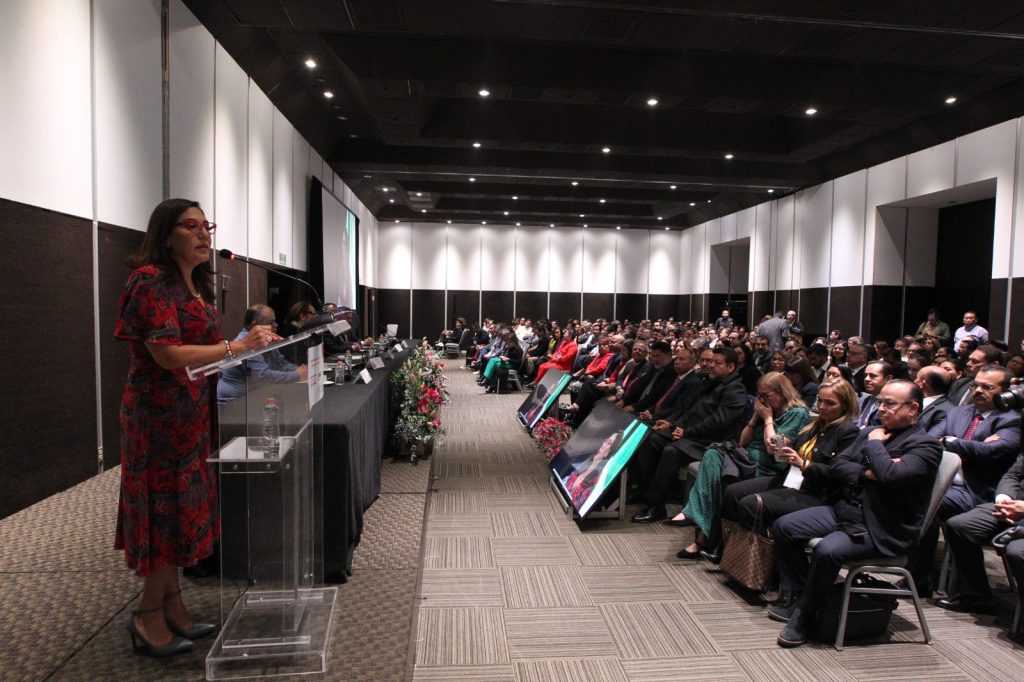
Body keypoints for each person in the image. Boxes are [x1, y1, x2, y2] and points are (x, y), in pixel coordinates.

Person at [114, 199, 277, 657]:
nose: (204, 234)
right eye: (192, 226)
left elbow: (213, 352)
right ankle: (147, 615)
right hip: (158, 420)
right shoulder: (149, 283)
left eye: (207, 225)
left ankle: (172, 604)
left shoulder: (195, 284)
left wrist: (252, 346)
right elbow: (167, 355)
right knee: (164, 514)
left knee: (182, 512)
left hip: (191, 415)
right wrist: (235, 344)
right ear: (166, 234)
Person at [769, 380, 942, 647]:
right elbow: (838, 464)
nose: (882, 408)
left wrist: (874, 448)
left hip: (881, 524)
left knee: (827, 550)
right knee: (784, 527)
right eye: (881, 402)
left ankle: (803, 614)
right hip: (846, 510)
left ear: (913, 408)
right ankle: (807, 597)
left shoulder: (926, 445)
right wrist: (867, 474)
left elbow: (890, 475)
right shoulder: (872, 431)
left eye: (890, 404)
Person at [672, 372, 811, 559]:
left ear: (781, 393)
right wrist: (755, 418)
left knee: (723, 483)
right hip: (746, 458)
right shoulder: (765, 411)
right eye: (759, 396)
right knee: (713, 454)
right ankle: (700, 526)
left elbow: (774, 448)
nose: (762, 401)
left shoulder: (796, 413)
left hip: (769, 468)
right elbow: (743, 441)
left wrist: (768, 418)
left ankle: (703, 538)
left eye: (765, 396)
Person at [721, 379, 860, 554]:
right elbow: (795, 453)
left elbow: (839, 473)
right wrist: (782, 450)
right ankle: (729, 552)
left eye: (830, 403)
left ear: (845, 406)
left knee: (750, 504)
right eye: (820, 400)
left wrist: (804, 464)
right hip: (793, 480)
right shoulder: (815, 426)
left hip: (817, 492)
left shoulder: (848, 431)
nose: (822, 406)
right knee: (733, 492)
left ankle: (759, 562)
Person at [938, 454, 1024, 620]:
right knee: (961, 526)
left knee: (1017, 551)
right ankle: (976, 597)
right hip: (1013, 506)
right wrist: (1004, 499)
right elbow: (1013, 475)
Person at [217, 304, 309, 404]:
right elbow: (262, 376)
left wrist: (299, 369)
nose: (276, 325)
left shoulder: (265, 338)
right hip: (233, 403)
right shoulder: (245, 343)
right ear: (255, 325)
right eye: (271, 322)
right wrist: (297, 375)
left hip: (251, 398)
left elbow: (280, 363)